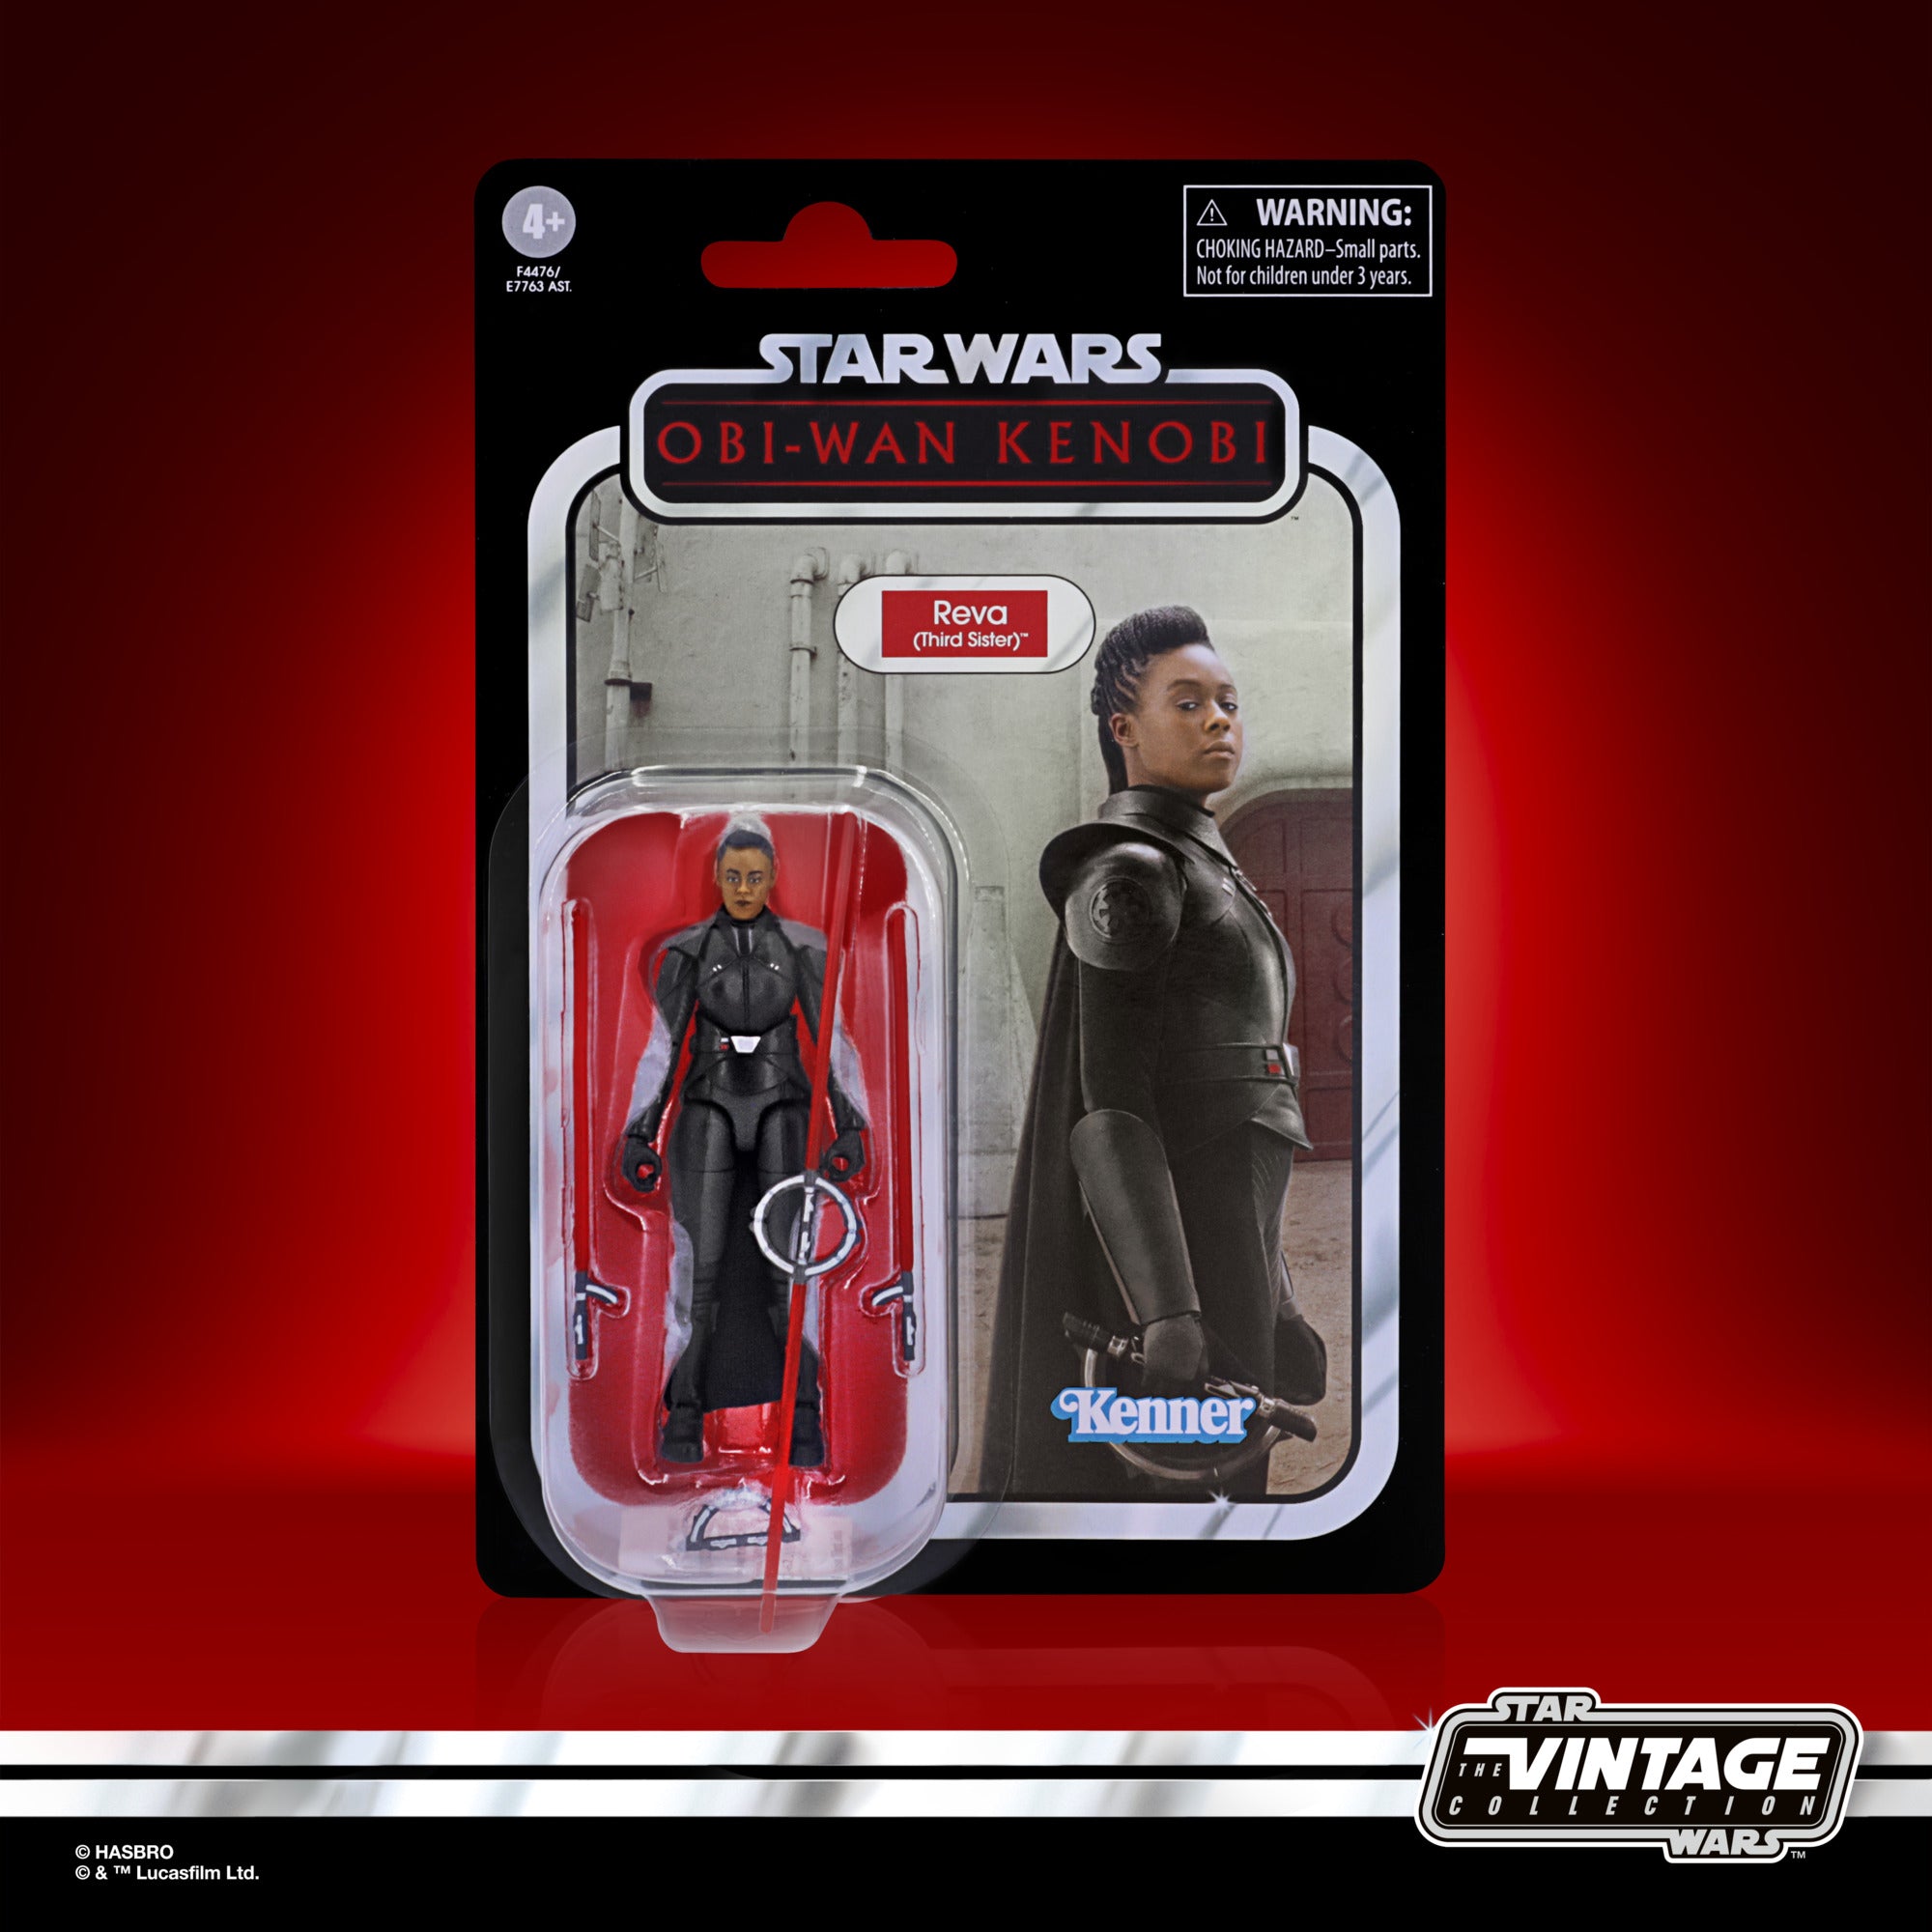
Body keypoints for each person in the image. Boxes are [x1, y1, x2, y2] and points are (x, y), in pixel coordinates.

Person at [988, 606, 1326, 1495]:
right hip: (1167, 1266)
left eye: (1228, 702)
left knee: (1229, 1478)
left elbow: (1244, 1128)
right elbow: (1112, 1107)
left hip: (1228, 1249)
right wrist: (1168, 1309)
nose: (1219, 721)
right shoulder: (1131, 873)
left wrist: (1278, 1296)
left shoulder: (1206, 868)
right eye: (1188, 703)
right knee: (1171, 1485)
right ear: (1124, 730)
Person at [618, 820, 866, 1466]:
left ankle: (805, 1420)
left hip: (785, 1102)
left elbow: (832, 1040)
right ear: (717, 877)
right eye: (733, 877)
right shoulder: (690, 950)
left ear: (773, 876)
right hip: (709, 1102)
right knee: (697, 1274)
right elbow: (662, 1046)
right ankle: (684, 1416)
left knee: (793, 1273)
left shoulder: (803, 948)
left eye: (755, 877)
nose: (745, 889)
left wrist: (850, 1124)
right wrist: (640, 1130)